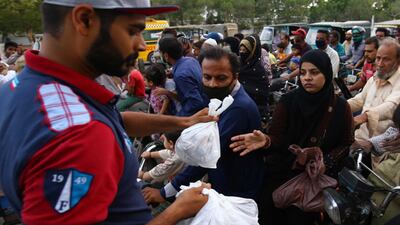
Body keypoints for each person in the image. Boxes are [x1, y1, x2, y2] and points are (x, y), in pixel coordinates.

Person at [0, 1, 216, 224]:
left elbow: (115, 120)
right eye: (132, 31)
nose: (142, 45)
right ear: (84, 20)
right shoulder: (82, 135)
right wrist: (178, 210)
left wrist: (183, 122)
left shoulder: (17, 89)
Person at [230, 50, 354, 225]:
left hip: (315, 179)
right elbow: (278, 138)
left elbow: (346, 142)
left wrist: (326, 162)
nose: (307, 78)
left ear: (326, 73)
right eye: (303, 73)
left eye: (314, 72)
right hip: (284, 171)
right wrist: (267, 141)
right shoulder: (288, 102)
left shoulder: (340, 107)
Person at [142, 47, 265, 204]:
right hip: (225, 182)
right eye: (207, 77)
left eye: (221, 78)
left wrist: (165, 192)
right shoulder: (222, 97)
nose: (212, 84)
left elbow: (207, 155)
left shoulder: (238, 108)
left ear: (235, 77)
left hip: (237, 191)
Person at [348, 38, 400, 166]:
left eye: (386, 59)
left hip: (381, 152)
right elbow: (359, 100)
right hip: (358, 141)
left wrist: (364, 116)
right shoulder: (375, 78)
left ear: (398, 61)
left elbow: (391, 105)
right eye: (378, 58)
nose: (380, 63)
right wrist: (337, 106)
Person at [351, 104, 400, 225]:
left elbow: (389, 105)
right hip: (378, 182)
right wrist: (370, 144)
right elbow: (392, 133)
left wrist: (365, 116)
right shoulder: (397, 131)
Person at [157, 37, 208, 116]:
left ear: (166, 55)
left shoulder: (181, 75)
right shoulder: (191, 60)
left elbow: (195, 103)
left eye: (160, 53)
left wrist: (177, 120)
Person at [239, 34, 270, 120]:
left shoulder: (258, 70)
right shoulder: (238, 65)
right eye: (240, 49)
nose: (241, 52)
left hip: (256, 111)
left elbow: (262, 94)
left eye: (244, 50)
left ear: (252, 51)